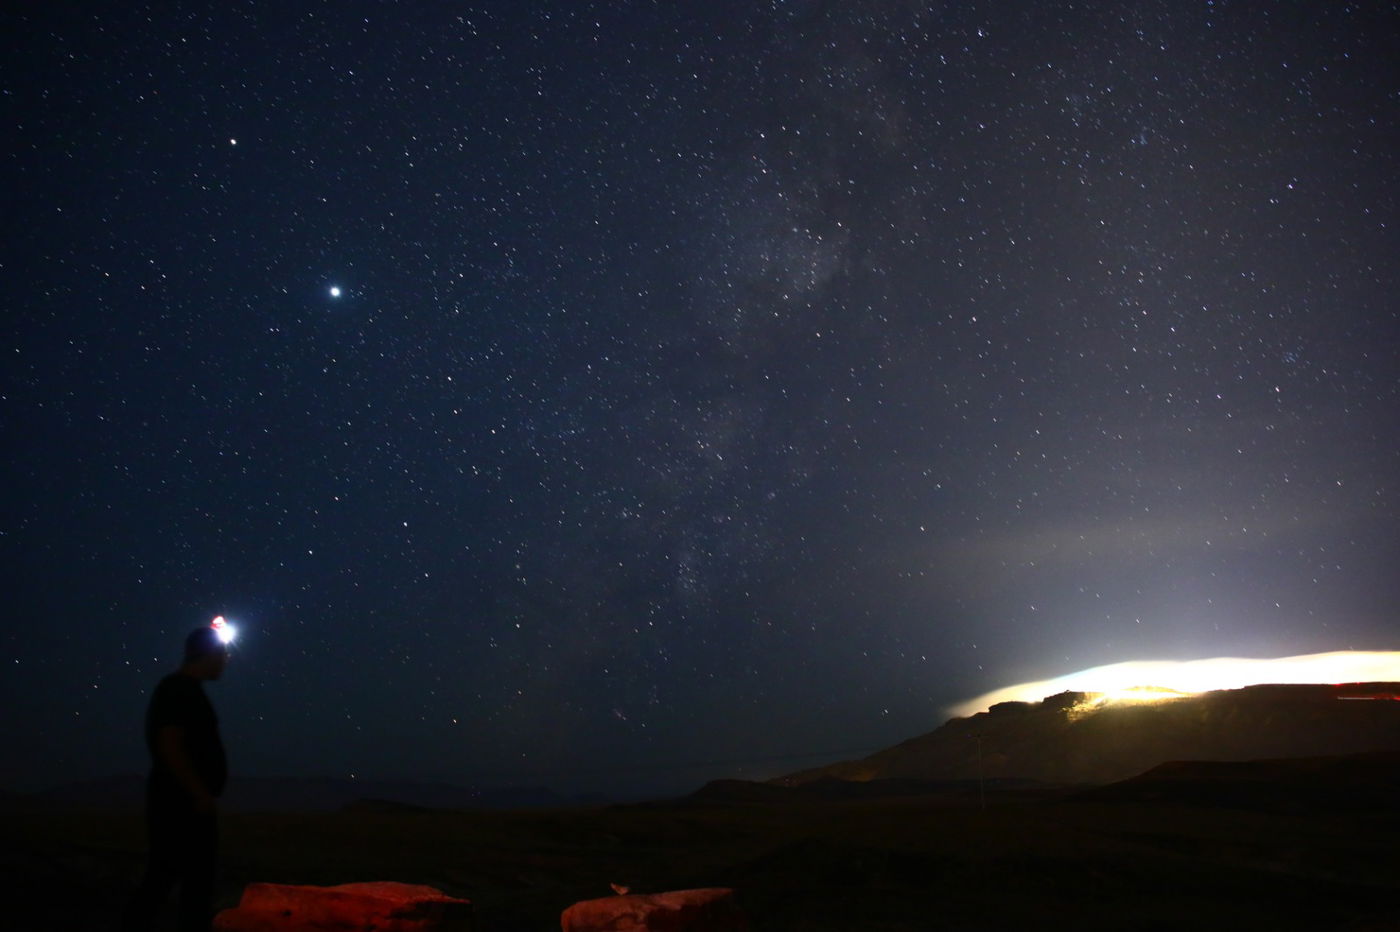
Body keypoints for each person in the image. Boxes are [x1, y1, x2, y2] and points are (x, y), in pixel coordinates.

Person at [121, 626, 229, 932]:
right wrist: (198, 794)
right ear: (206, 655)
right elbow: (169, 742)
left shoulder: (183, 690)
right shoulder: (178, 689)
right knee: (177, 879)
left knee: (181, 879)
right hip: (181, 804)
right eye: (222, 654)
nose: (226, 661)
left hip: (182, 800)